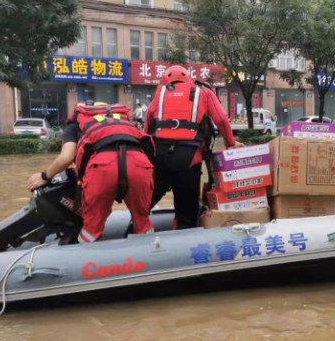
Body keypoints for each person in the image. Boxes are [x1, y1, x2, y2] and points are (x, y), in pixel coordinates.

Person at [27, 102, 156, 243]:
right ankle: (149, 255)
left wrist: (44, 176)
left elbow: (66, 158)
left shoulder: (74, 124)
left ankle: (87, 258)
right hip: (139, 166)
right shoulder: (123, 121)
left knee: (92, 228)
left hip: (102, 168)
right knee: (142, 221)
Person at [145, 65, 243, 229]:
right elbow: (221, 119)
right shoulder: (203, 92)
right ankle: (183, 239)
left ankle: (133, 234)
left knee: (143, 206)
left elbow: (147, 127)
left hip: (159, 156)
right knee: (187, 214)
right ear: (188, 78)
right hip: (189, 157)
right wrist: (230, 143)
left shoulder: (160, 95)